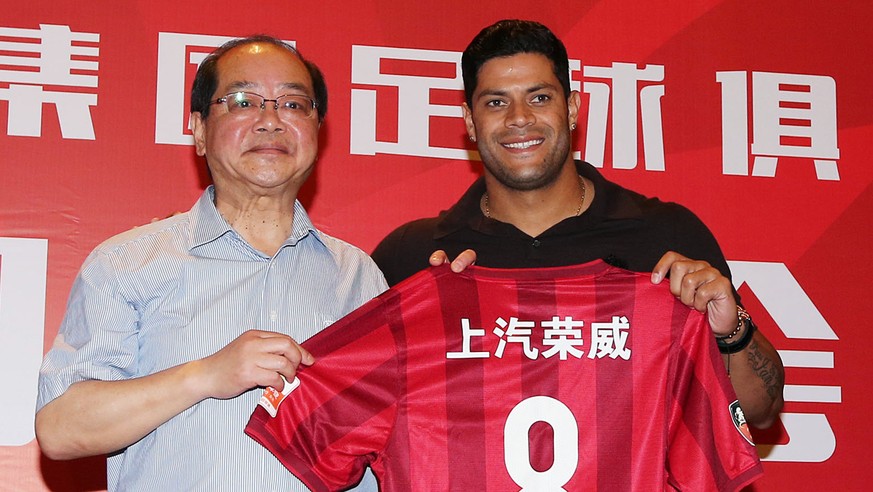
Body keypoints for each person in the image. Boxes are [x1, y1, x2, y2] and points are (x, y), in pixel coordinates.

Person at [372, 19, 784, 428]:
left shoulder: (666, 235)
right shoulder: (412, 256)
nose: (519, 118)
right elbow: (348, 409)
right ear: (469, 120)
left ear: (571, 108)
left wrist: (731, 332)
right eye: (496, 102)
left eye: (538, 98)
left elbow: (760, 412)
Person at [35, 36, 386, 491]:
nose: (271, 121)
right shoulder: (127, 262)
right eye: (242, 101)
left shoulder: (359, 278)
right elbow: (60, 429)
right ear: (199, 130)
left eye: (294, 105)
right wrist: (205, 374)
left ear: (318, 129)